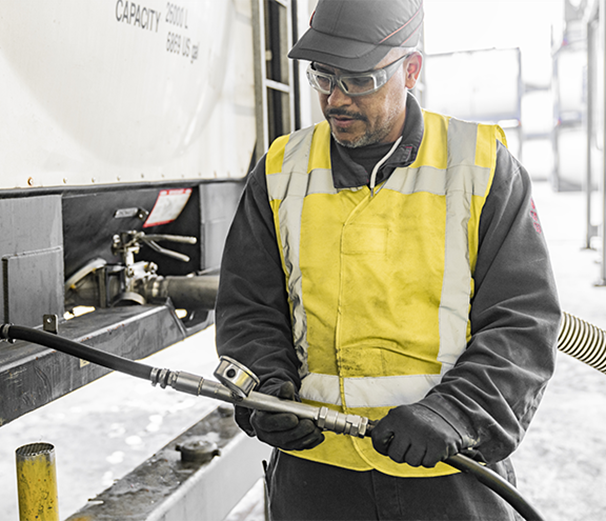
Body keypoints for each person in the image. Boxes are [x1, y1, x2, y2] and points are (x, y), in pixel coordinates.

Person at [214, 0, 561, 519]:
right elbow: (248, 309)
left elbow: (522, 320)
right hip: (317, 475)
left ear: (411, 70)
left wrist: (454, 414)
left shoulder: (481, 165)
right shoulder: (280, 170)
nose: (334, 99)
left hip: (448, 470)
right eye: (323, 76)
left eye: (358, 79)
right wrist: (266, 389)